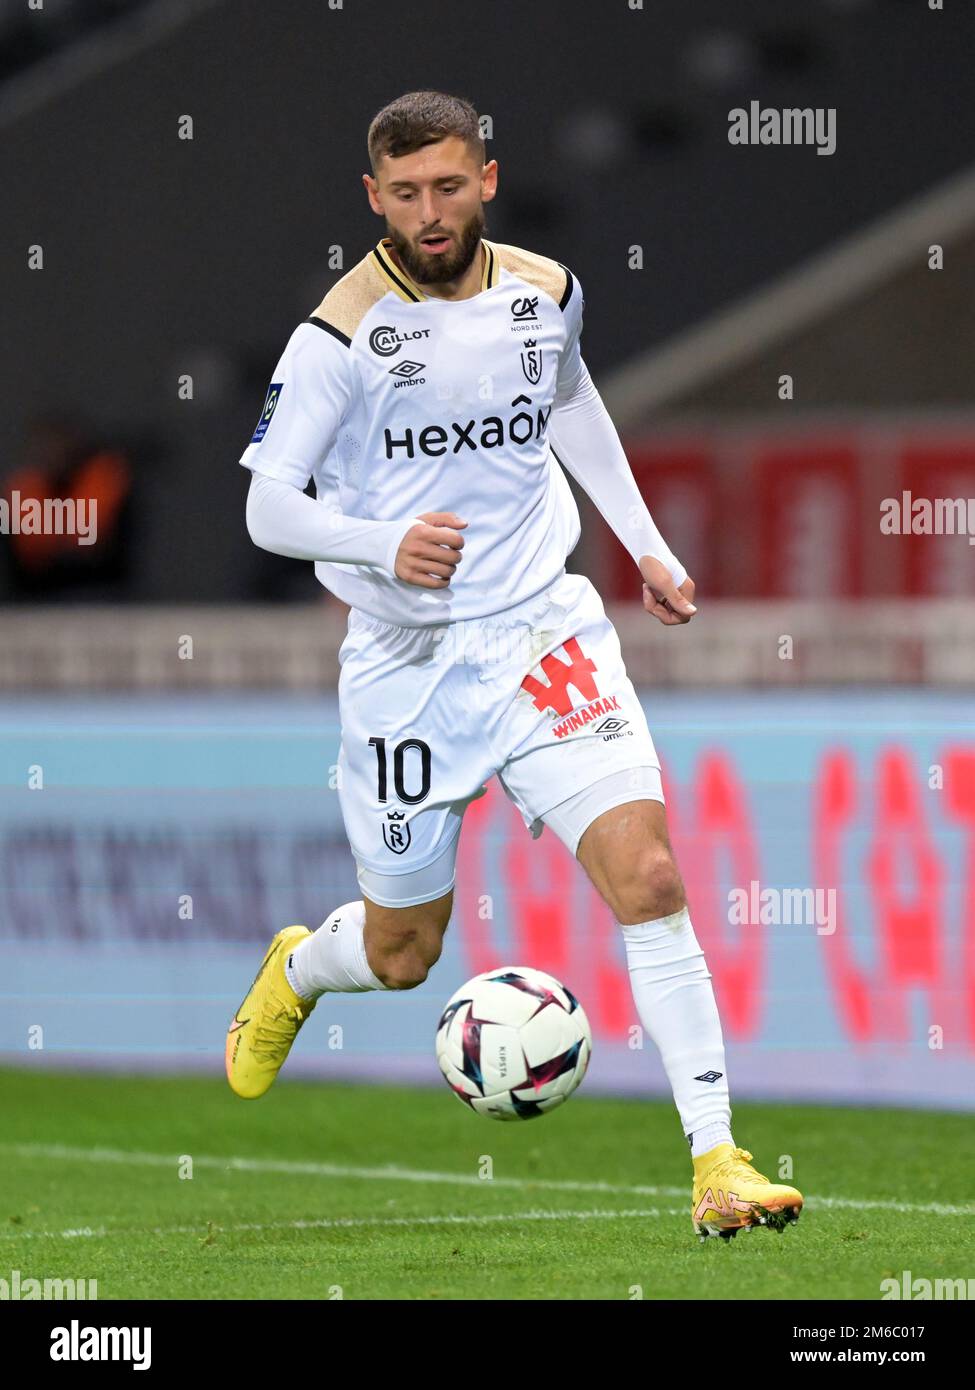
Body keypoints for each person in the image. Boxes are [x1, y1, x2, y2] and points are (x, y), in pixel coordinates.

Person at [226, 89, 802, 1241]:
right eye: (404, 194)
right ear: (372, 198)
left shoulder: (548, 291)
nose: (429, 213)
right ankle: (303, 968)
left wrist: (642, 542)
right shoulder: (338, 337)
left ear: (488, 178)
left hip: (544, 631)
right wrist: (380, 542)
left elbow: (571, 397)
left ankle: (719, 1160)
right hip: (406, 664)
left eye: (448, 187)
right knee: (403, 952)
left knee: (648, 877)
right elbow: (266, 508)